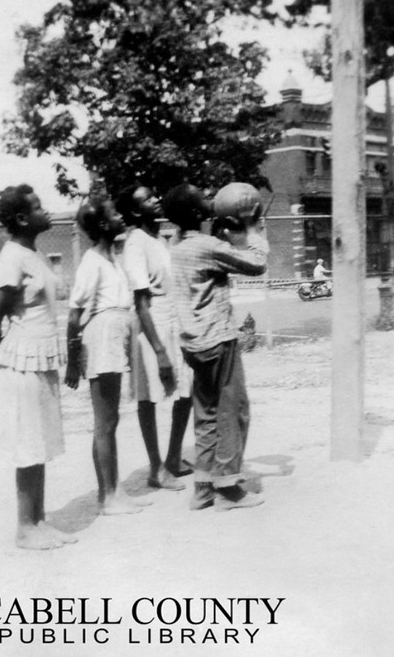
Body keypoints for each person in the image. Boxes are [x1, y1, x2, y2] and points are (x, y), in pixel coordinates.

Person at [0, 184, 76, 549]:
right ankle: (24, 528)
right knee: (28, 445)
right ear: (22, 218)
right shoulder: (11, 259)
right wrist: (5, 366)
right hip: (20, 365)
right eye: (38, 207)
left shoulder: (33, 253)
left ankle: (39, 521)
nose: (46, 211)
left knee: (40, 443)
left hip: (41, 360)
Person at [166, 182, 268, 511]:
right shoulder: (207, 247)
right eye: (203, 200)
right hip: (218, 338)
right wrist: (252, 226)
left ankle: (203, 488)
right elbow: (256, 263)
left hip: (194, 344)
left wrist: (224, 228)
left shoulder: (178, 243)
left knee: (206, 415)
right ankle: (228, 489)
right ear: (198, 213)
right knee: (234, 412)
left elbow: (214, 252)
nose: (210, 201)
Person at [65, 199, 149, 515]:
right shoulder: (91, 262)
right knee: (105, 422)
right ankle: (108, 496)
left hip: (114, 339)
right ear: (102, 225)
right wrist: (73, 361)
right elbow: (74, 317)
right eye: (114, 214)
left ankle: (113, 491)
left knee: (111, 421)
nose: (120, 217)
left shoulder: (111, 259)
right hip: (100, 341)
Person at [116, 186, 193, 491]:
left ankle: (173, 457)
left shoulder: (161, 239)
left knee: (185, 390)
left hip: (174, 321)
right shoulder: (135, 243)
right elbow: (141, 303)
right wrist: (159, 351)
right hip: (151, 326)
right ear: (135, 212)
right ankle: (155, 467)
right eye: (147, 199)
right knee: (149, 397)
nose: (156, 199)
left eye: (154, 195)